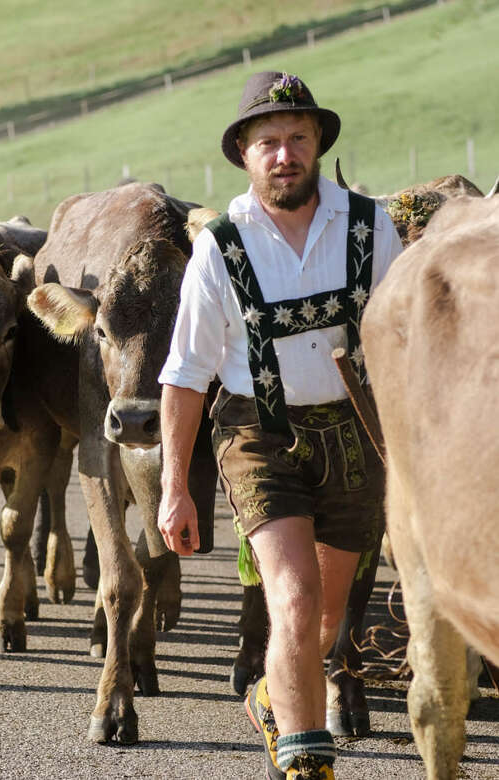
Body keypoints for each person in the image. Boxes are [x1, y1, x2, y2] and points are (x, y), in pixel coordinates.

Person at [157, 71, 403, 779]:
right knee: (290, 601)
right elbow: (183, 374)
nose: (284, 154)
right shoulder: (220, 246)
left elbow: (401, 342)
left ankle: (270, 693)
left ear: (318, 142)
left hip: (356, 433)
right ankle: (305, 762)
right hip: (257, 434)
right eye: (268, 141)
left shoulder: (369, 224)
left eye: (297, 137)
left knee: (323, 621)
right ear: (244, 153)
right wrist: (176, 486)